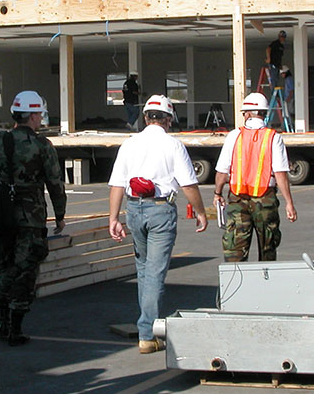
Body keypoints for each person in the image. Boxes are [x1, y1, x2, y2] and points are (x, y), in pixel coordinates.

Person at [107, 95, 208, 353]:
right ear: (168, 119)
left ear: (145, 117)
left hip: (134, 209)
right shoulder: (173, 145)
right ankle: (148, 331)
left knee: (143, 270)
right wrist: (200, 212)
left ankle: (146, 327)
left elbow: (117, 183)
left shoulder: (129, 144)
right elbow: (188, 184)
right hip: (160, 209)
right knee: (155, 273)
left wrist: (113, 218)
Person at [0, 90, 67, 345]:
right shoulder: (41, 145)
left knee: (4, 266)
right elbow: (55, 183)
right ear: (33, 116)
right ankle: (15, 327)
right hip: (30, 218)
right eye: (38, 114)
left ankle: (3, 322)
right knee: (25, 270)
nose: (40, 119)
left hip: (0, 216)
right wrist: (60, 214)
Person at [212, 93, 298, 262]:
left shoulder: (234, 135)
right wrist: (289, 203)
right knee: (268, 249)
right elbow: (280, 173)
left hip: (238, 199)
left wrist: (217, 193)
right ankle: (265, 284)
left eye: (244, 113)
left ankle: (236, 286)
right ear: (263, 113)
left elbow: (222, 171)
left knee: (235, 251)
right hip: (265, 200)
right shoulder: (273, 137)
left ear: (249, 113)